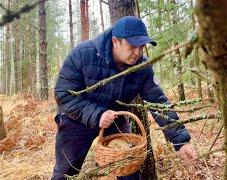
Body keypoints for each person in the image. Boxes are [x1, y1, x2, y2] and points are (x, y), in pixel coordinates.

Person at [52, 16, 196, 180]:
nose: (138, 52)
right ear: (115, 42)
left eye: (141, 46)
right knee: (66, 172)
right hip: (75, 120)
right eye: (132, 46)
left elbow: (158, 102)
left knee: (128, 168)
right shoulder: (83, 54)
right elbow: (63, 94)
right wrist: (98, 115)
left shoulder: (142, 67)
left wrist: (181, 141)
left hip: (115, 119)